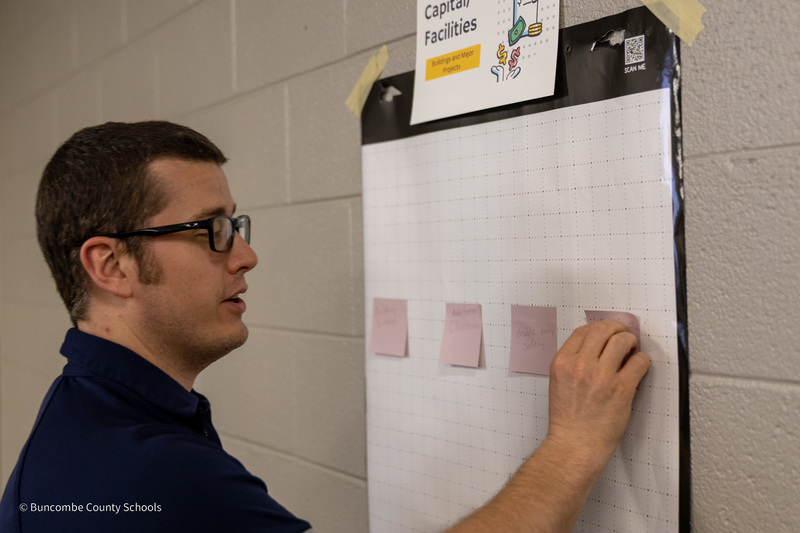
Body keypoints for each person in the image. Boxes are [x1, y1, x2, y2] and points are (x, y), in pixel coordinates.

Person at [0, 121, 649, 532]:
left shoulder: (80, 418)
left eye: (237, 226)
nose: (246, 254)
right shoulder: (148, 475)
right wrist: (572, 448)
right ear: (110, 264)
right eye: (213, 231)